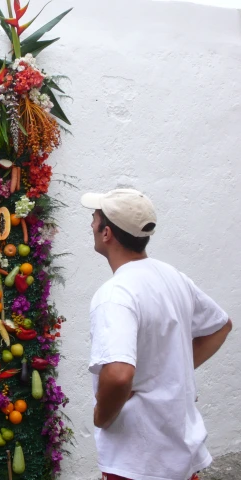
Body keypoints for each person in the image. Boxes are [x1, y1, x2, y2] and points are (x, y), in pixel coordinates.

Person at [81, 189, 232, 480]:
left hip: (138, 461)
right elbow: (220, 327)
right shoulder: (172, 276)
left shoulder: (115, 294)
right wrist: (168, 372)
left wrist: (101, 415)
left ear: (107, 233)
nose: (91, 224)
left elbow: (119, 374)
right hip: (179, 454)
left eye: (94, 218)